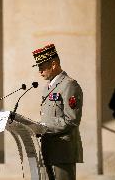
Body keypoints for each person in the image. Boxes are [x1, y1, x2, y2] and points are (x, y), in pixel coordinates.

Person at [32, 44, 83, 180]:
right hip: (48, 149)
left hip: (62, 151)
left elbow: (72, 120)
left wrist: (43, 127)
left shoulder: (69, 85)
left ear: (53, 64)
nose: (40, 71)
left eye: (42, 67)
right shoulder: (48, 87)